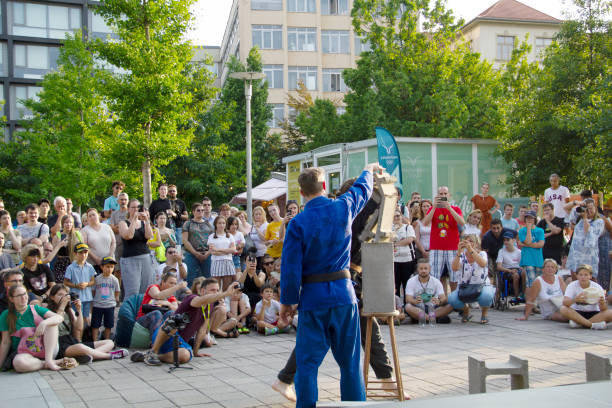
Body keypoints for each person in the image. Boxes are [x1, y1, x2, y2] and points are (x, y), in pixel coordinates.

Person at [280, 163, 382, 408]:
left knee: (307, 364)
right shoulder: (343, 207)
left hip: (313, 298)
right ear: (324, 186)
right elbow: (363, 189)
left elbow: (290, 267)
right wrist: (367, 169)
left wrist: (287, 302)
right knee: (350, 362)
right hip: (343, 295)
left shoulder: (297, 223)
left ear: (301, 193)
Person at [133, 278, 240, 366]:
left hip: (179, 343)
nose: (216, 293)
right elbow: (203, 300)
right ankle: (153, 352)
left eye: (217, 290)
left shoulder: (210, 306)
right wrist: (225, 293)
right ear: (202, 291)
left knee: (186, 356)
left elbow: (202, 329)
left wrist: (196, 352)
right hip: (165, 334)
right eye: (212, 290)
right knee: (173, 322)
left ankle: (147, 356)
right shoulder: (193, 298)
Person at [0, 284, 76, 372]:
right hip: (25, 352)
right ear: (11, 299)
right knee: (18, 363)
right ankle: (49, 363)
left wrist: (44, 322)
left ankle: (49, 360)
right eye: (19, 295)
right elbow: (5, 342)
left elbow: (59, 318)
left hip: (46, 349)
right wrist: (0, 364)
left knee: (51, 322)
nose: (23, 297)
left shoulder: (36, 309)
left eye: (25, 294)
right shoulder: (6, 315)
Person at [47, 284, 128, 362]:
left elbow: (79, 328)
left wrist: (79, 310)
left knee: (109, 342)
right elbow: (55, 322)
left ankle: (89, 356)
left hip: (71, 341)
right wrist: (62, 306)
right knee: (81, 347)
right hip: (59, 345)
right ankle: (109, 356)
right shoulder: (47, 311)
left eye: (65, 295)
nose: (63, 297)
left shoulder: (69, 311)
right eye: (60, 295)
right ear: (52, 297)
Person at [423, 186, 465, 293]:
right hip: (437, 248)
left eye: (445, 194)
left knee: (455, 276)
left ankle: (455, 299)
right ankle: (438, 300)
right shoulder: (433, 209)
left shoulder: (456, 209)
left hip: (453, 248)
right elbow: (425, 223)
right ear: (437, 196)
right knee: (435, 276)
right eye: (441, 194)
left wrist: (449, 208)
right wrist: (434, 207)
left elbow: (462, 222)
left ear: (449, 195)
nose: (443, 196)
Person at [448, 235, 495, 324]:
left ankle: (484, 314)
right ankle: (466, 312)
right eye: (466, 241)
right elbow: (454, 268)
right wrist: (458, 252)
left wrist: (471, 250)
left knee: (487, 296)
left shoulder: (482, 253)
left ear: (477, 243)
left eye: (471, 241)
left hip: (481, 285)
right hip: (465, 286)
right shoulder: (461, 255)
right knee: (452, 299)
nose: (468, 243)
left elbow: (482, 263)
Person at [119, 200, 155, 299]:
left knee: (145, 288)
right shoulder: (123, 223)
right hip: (130, 259)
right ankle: (130, 313)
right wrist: (134, 220)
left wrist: (147, 221)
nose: (136, 209)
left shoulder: (143, 223)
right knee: (133, 290)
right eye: (133, 207)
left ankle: (142, 312)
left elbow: (149, 236)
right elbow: (129, 235)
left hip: (145, 258)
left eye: (138, 207)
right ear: (128, 209)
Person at [560, 264, 612, 329]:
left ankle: (579, 324)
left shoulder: (597, 287)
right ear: (577, 276)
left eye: (586, 275)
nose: (583, 277)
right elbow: (565, 303)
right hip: (577, 313)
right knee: (563, 309)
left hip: (594, 313)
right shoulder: (572, 285)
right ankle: (592, 325)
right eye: (580, 275)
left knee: (610, 313)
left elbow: (603, 309)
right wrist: (574, 300)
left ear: (590, 276)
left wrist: (602, 303)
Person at [404, 259, 453, 324]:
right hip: (418, 307)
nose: (423, 271)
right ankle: (431, 319)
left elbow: (443, 298)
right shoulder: (411, 281)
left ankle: (422, 318)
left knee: (450, 305)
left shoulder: (436, 281)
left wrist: (439, 301)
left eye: (425, 268)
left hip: (433, 308)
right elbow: (408, 299)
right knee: (408, 307)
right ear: (417, 270)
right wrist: (415, 301)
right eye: (421, 269)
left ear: (429, 269)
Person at [566, 198, 605, 279]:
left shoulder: (599, 221)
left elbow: (588, 231)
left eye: (591, 208)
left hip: (589, 256)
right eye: (587, 208)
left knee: (591, 280)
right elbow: (566, 208)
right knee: (575, 279)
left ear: (595, 208)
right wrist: (578, 203)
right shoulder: (579, 217)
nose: (588, 211)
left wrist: (584, 218)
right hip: (576, 254)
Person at [63, 243, 96, 324]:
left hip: (87, 297)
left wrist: (87, 284)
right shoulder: (71, 267)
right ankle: (77, 335)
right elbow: (65, 282)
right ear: (75, 254)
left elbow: (93, 281)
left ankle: (85, 334)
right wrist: (75, 285)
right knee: (77, 318)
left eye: (85, 253)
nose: (83, 255)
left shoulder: (90, 267)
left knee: (86, 317)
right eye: (81, 253)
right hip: (76, 298)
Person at [182, 202, 213, 285]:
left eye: (202, 210)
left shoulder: (208, 224)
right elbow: (185, 240)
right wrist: (195, 253)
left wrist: (207, 253)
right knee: (190, 278)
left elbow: (212, 240)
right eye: (198, 210)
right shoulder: (188, 223)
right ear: (193, 212)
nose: (201, 212)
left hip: (206, 254)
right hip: (191, 254)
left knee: (207, 279)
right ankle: (190, 297)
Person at [91, 257, 121, 341]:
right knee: (95, 324)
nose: (110, 269)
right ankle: (95, 341)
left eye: (112, 267)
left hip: (109, 305)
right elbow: (93, 290)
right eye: (107, 266)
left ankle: (106, 340)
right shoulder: (97, 279)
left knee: (109, 325)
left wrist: (114, 299)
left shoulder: (114, 279)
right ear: (102, 267)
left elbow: (117, 291)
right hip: (98, 305)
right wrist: (94, 300)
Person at [518, 211, 545, 297]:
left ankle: (535, 301)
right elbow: (528, 241)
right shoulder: (522, 230)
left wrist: (526, 245)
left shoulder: (540, 230)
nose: (529, 220)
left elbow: (541, 244)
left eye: (531, 218)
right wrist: (529, 229)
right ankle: (531, 303)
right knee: (531, 281)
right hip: (528, 259)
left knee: (538, 282)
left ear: (534, 219)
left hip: (538, 259)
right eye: (527, 218)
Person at [82, 208, 116, 274]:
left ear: (98, 215)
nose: (92, 217)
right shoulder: (84, 230)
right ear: (88, 218)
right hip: (94, 264)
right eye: (90, 216)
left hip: (109, 262)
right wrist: (96, 259)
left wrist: (110, 255)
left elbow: (113, 242)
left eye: (93, 215)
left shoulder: (107, 227)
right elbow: (85, 246)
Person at [51, 215, 83, 282]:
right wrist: (59, 244)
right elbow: (54, 251)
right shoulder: (58, 235)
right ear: (63, 224)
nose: (68, 224)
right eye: (66, 222)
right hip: (61, 263)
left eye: (70, 222)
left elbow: (82, 248)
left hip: (74, 262)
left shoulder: (77, 234)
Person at [208, 216, 236, 291]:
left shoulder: (230, 236)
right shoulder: (211, 236)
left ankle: (225, 302)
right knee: (216, 288)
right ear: (216, 224)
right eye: (219, 223)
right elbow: (213, 252)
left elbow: (233, 250)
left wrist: (218, 250)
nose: (221, 225)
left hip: (228, 262)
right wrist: (227, 251)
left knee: (226, 288)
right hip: (216, 262)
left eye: (223, 223)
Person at [392, 210, 416, 297]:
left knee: (407, 285)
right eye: (394, 216)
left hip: (407, 260)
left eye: (398, 216)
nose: (396, 218)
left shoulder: (408, 227)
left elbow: (409, 240)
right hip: (394, 261)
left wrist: (394, 244)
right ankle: (397, 306)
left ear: (401, 216)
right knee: (395, 286)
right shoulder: (389, 229)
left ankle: (408, 306)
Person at [496, 231, 524, 302]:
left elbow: (522, 265)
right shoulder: (501, 251)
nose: (506, 242)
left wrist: (520, 269)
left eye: (508, 240)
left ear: (513, 240)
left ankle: (524, 294)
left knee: (524, 273)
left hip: (517, 269)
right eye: (504, 240)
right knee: (515, 275)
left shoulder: (519, 252)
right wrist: (510, 271)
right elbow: (499, 267)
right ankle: (517, 296)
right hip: (506, 270)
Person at [109, 192, 129, 267]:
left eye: (125, 200)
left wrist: (117, 226)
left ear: (128, 201)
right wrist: (124, 227)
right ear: (118, 201)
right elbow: (111, 228)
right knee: (117, 269)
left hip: (129, 245)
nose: (123, 201)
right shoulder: (114, 214)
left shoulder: (130, 213)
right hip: (117, 245)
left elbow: (132, 229)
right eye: (121, 200)